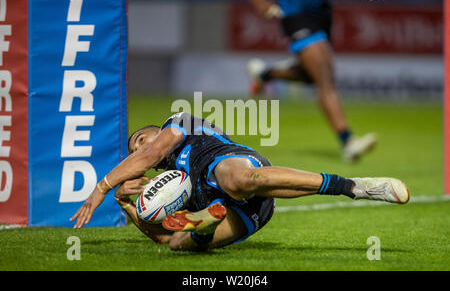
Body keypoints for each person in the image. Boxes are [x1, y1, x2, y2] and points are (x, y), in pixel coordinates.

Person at [70, 112, 409, 251]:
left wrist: (102, 188)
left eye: (142, 139)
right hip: (254, 213)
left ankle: (354, 186)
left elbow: (151, 154)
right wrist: (127, 204)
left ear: (156, 132)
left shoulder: (178, 124)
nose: (140, 147)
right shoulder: (170, 184)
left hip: (226, 165)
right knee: (176, 245)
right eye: (134, 148)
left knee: (239, 181)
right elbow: (160, 239)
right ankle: (203, 223)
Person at [242, 0, 375, 163]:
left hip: (321, 14)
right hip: (297, 16)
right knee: (325, 80)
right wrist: (259, 2)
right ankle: (348, 141)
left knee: (311, 75)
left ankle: (265, 74)